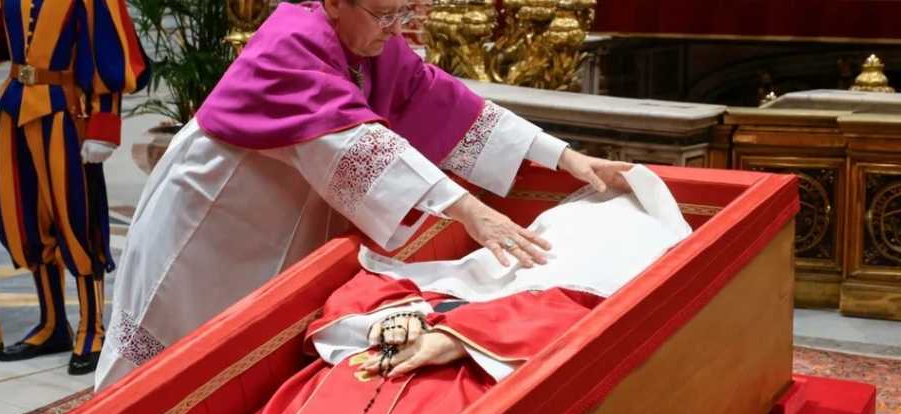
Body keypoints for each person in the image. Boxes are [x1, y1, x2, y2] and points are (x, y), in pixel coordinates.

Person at [93, 0, 631, 390]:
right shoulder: (290, 42)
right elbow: (355, 143)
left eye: (404, 14)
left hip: (276, 219)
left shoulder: (371, 45)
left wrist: (565, 157)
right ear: (334, 3)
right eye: (384, 15)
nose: (396, 30)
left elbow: (446, 103)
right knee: (163, 360)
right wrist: (471, 212)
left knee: (243, 356)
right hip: (211, 219)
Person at [233, 165, 693, 414]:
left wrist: (456, 339)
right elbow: (371, 285)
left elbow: (577, 332)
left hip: (464, 386)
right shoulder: (480, 272)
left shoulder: (594, 291)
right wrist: (398, 316)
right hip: (372, 369)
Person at [0, 0, 151, 374]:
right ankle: (52, 323)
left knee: (76, 217)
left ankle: (92, 327)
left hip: (65, 111)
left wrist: (104, 123)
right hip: (14, 108)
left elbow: (107, 47)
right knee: (25, 218)